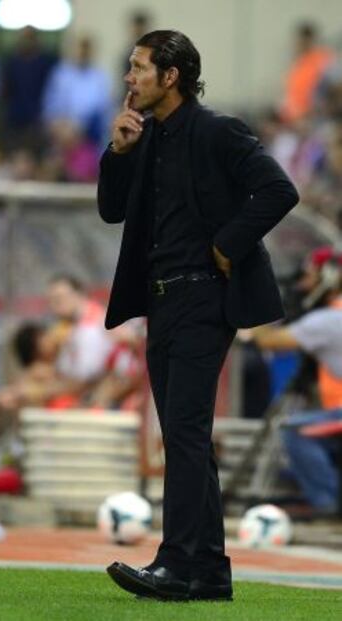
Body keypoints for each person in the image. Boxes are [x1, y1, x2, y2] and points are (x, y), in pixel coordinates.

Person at [97, 30, 299, 602]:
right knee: (185, 435)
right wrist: (117, 151)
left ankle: (174, 563)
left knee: (183, 433)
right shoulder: (145, 136)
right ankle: (207, 569)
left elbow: (278, 189)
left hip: (206, 296)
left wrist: (227, 244)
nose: (128, 78)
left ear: (171, 76)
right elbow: (112, 211)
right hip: (161, 302)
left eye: (138, 68)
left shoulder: (219, 131)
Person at [252, 247, 342, 515]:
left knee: (294, 430)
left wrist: (257, 308)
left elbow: (269, 341)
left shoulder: (329, 319)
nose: (303, 284)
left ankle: (327, 505)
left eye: (310, 277)